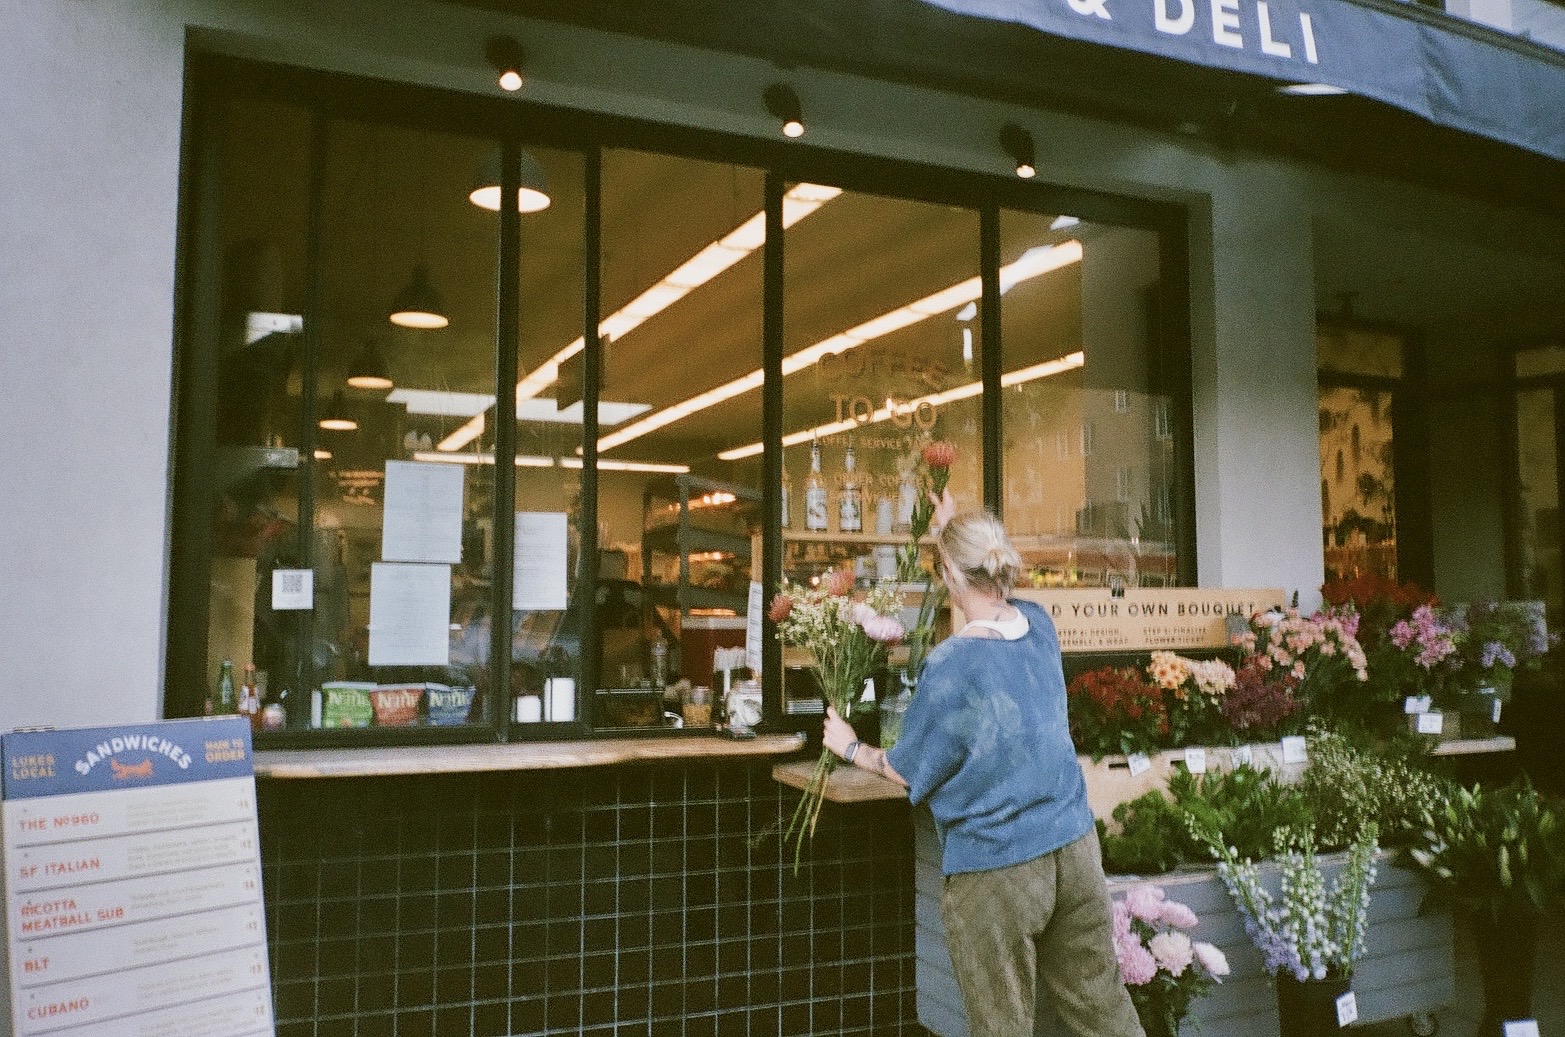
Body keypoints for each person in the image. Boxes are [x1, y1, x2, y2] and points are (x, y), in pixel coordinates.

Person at [823, 492, 1144, 1037]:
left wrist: (851, 746)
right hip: (1073, 848)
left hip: (998, 870)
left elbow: (908, 769)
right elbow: (985, 618)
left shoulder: (950, 667)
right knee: (1103, 1011)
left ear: (948, 574)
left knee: (1002, 1025)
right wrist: (954, 535)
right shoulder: (1040, 627)